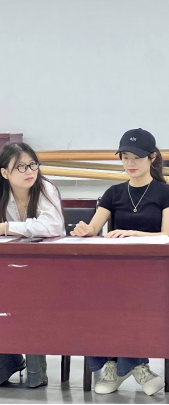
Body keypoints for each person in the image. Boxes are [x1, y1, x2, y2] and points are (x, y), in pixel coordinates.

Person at [71, 128, 169, 396]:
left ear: (152, 158)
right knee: (90, 299)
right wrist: (84, 230)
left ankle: (124, 366)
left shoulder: (166, 193)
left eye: (137, 158)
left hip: (154, 271)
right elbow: (94, 228)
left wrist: (134, 233)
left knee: (129, 299)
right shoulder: (113, 193)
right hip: (117, 270)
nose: (130, 163)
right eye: (125, 157)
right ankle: (120, 365)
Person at [0, 143, 65, 389]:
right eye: (20, 167)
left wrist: (7, 227)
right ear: (4, 173)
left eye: (32, 164)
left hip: (48, 269)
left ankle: (36, 370)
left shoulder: (46, 188)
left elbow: (52, 226)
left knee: (29, 297)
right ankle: (10, 359)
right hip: (10, 268)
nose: (29, 171)